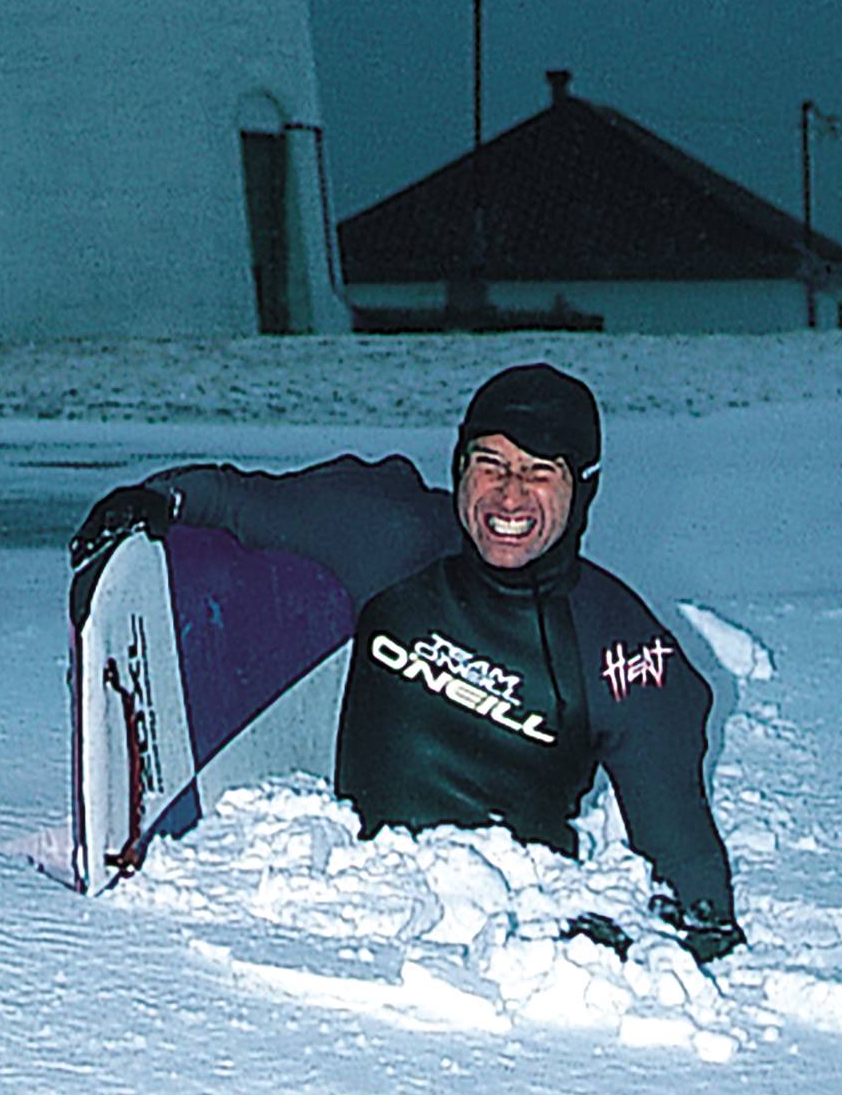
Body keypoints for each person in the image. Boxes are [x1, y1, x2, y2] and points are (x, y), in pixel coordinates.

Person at [70, 364, 743, 962]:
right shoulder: (393, 537)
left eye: (541, 471)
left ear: (583, 491)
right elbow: (243, 500)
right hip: (353, 904)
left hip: (502, 929)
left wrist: (677, 937)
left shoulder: (619, 647)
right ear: (459, 469)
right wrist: (154, 499)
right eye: (491, 463)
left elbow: (686, 867)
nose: (509, 495)